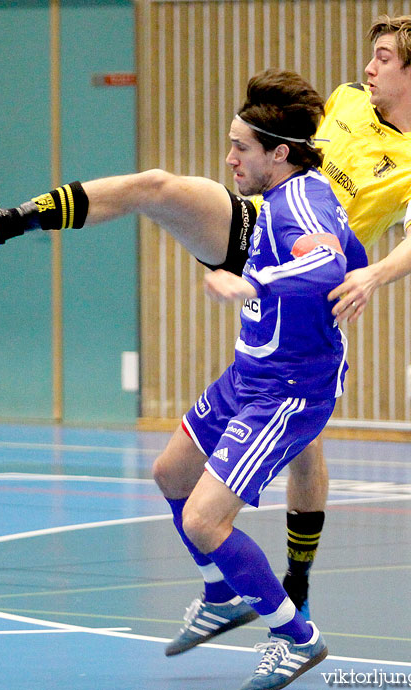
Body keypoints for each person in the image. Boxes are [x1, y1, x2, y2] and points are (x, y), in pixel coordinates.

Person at [0, 12, 411, 647]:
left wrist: (372, 275)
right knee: (155, 186)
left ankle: (293, 592)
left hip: (308, 282)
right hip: (258, 229)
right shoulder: (349, 102)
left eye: (383, 58)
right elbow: (292, 145)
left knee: (306, 441)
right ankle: (4, 224)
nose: (367, 67)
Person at [161, 68, 366, 688]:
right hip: (248, 374)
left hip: (288, 390)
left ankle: (295, 638)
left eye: (240, 148)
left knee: (203, 520)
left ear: (280, 153)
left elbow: (330, 261)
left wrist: (254, 283)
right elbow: (346, 253)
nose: (228, 160)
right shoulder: (276, 200)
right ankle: (222, 596)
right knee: (170, 472)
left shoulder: (300, 202)